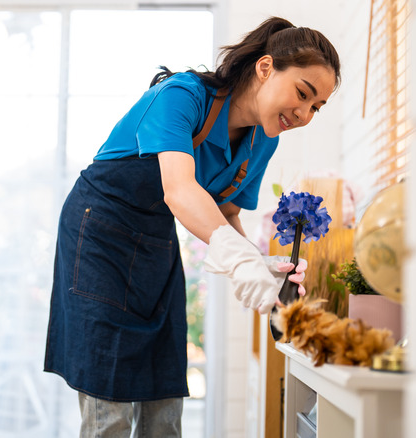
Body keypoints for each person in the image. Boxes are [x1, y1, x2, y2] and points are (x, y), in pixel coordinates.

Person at [44, 16, 340, 437]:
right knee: (108, 404)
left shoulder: (263, 140)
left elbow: (227, 211)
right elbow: (180, 190)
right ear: (265, 67)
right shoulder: (183, 96)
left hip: (155, 245)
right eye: (303, 94)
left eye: (316, 107)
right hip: (98, 238)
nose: (305, 113)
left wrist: (259, 264)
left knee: (162, 393)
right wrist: (239, 261)